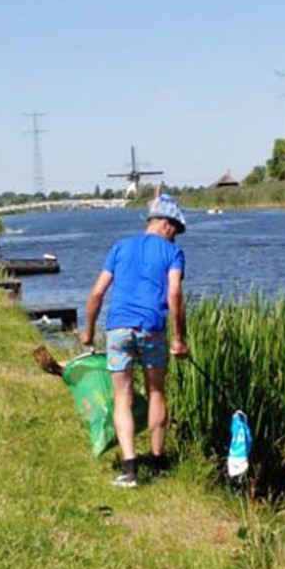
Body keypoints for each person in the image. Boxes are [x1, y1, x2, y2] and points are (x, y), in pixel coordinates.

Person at [79, 193, 189, 487]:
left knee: (122, 398)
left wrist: (88, 331)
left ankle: (129, 470)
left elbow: (97, 293)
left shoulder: (119, 247)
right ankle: (156, 461)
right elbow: (175, 295)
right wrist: (179, 338)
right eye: (176, 232)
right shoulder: (172, 253)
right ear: (166, 225)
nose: (175, 238)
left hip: (117, 330)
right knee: (156, 392)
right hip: (152, 328)